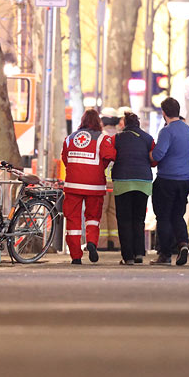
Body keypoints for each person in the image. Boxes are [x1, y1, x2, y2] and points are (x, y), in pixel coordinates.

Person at [61, 109, 116, 264]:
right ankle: (91, 242)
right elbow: (110, 156)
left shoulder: (70, 138)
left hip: (73, 185)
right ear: (98, 121)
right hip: (94, 185)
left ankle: (76, 256)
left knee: (73, 220)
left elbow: (65, 158)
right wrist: (100, 168)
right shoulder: (102, 138)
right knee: (92, 217)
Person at [149, 97, 189, 266]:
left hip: (167, 179)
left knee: (164, 217)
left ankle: (165, 254)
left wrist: (149, 155)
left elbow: (158, 154)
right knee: (177, 214)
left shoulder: (167, 131)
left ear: (164, 113)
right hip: (185, 179)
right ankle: (182, 243)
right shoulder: (186, 128)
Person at [111, 112, 156, 265]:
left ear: (124, 124)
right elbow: (154, 160)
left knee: (124, 220)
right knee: (139, 219)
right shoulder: (148, 138)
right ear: (138, 123)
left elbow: (111, 155)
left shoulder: (117, 138)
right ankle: (139, 253)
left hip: (123, 181)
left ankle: (128, 257)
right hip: (143, 182)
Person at [99, 107, 121, 251]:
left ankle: (102, 243)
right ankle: (116, 242)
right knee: (114, 211)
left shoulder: (101, 137)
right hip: (118, 180)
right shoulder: (120, 136)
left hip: (103, 181)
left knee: (101, 211)